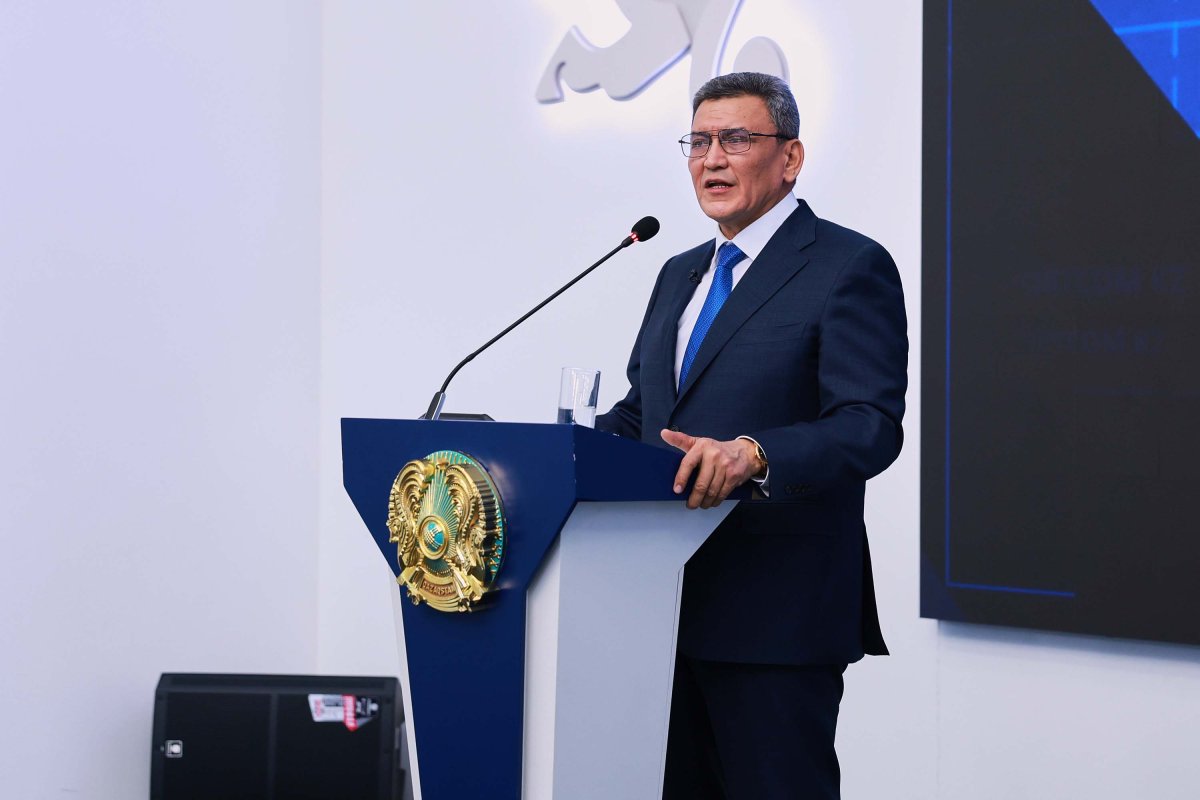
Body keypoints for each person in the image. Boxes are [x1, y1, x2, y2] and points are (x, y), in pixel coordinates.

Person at [594, 72, 908, 799]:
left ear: (790, 157)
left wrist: (756, 454)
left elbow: (868, 425)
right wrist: (546, 448)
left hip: (775, 616)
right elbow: (648, 415)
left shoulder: (847, 265)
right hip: (659, 607)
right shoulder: (678, 273)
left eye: (736, 139)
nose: (712, 159)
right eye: (698, 141)